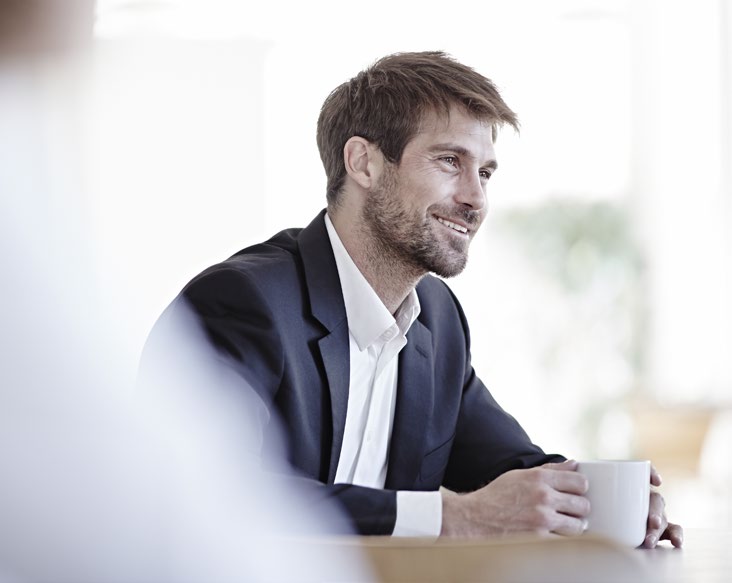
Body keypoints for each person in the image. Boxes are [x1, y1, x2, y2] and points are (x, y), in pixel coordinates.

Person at [142, 51, 683, 547]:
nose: (475, 199)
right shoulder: (241, 303)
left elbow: (509, 470)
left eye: (486, 172)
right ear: (364, 163)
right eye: (450, 161)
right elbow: (206, 498)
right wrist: (453, 517)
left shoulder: (438, 321)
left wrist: (609, 505)